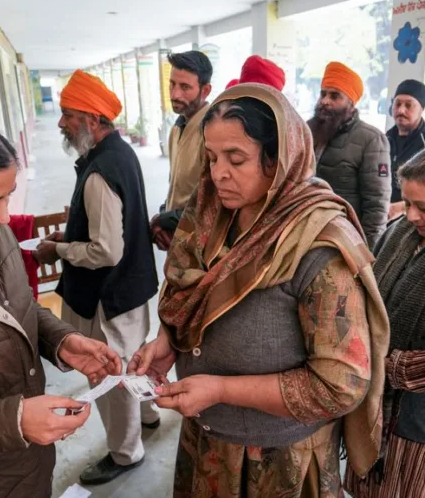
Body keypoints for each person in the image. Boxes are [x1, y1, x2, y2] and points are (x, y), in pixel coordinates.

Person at [129, 84, 390, 497]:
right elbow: (188, 293)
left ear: (279, 158)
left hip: (276, 459)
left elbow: (339, 385)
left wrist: (220, 389)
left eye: (236, 159)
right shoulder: (210, 218)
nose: (219, 173)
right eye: (211, 157)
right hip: (207, 438)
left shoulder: (318, 247)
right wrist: (169, 340)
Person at [0, 112, 122, 498]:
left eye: (7, 197)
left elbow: (14, 306)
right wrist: (12, 422)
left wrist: (60, 340)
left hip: (24, 463)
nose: (4, 216)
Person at [35, 70, 159, 485]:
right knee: (134, 357)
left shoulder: (100, 172)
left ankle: (126, 454)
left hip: (109, 299)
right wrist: (70, 236)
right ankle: (148, 415)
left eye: (68, 115)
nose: (61, 122)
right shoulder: (120, 153)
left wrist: (58, 250)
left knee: (112, 375)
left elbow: (106, 251)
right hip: (132, 288)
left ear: (92, 118)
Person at [345, 149, 425, 497]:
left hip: (416, 426)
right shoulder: (399, 232)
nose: (412, 215)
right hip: (375, 409)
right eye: (406, 203)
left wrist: (383, 365)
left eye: (423, 207)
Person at [308, 61, 391, 248]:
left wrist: (368, 252)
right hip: (308, 235)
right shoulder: (309, 131)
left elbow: (376, 205)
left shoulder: (371, 139)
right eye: (323, 94)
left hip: (346, 242)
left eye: (334, 96)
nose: (325, 101)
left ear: (351, 103)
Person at [150, 51, 213, 250]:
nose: (175, 94)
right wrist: (164, 217)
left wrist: (162, 220)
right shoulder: (177, 129)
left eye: (185, 87)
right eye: (172, 84)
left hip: (199, 244)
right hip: (177, 238)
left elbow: (209, 205)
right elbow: (177, 189)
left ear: (205, 90)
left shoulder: (212, 132)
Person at [386, 79, 425, 221]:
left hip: (414, 219)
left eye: (409, 105)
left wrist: (402, 207)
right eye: (397, 104)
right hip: (381, 218)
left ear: (421, 108)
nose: (401, 110)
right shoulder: (383, 140)